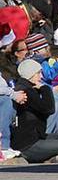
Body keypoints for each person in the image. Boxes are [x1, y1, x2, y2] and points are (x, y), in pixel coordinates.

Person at [11, 59, 58, 163]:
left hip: (36, 137)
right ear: (30, 74)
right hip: (28, 145)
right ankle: (41, 158)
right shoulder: (26, 91)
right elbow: (49, 109)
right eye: (38, 73)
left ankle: (51, 157)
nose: (41, 76)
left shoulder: (27, 87)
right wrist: (46, 89)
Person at [0, 23, 25, 160]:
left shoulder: (10, 61)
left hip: (10, 91)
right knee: (5, 101)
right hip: (6, 95)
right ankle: (3, 146)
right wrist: (14, 94)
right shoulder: (3, 61)